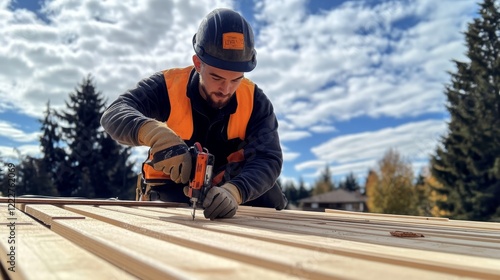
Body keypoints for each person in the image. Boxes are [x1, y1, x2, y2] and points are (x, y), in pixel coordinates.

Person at [100, 8, 287, 220]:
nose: (226, 89)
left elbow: (268, 157)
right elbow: (113, 113)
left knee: (271, 199)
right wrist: (156, 134)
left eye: (236, 79)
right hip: (170, 188)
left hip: (225, 187)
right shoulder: (168, 86)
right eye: (217, 78)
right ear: (198, 63)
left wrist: (234, 192)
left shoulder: (255, 101)